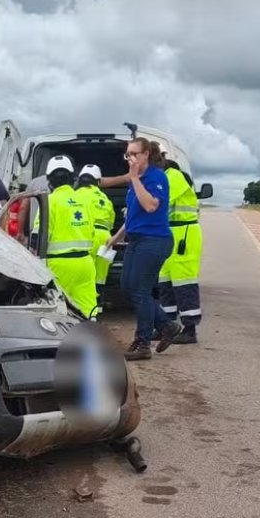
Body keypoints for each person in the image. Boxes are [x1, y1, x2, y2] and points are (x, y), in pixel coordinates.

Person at [104, 138, 182, 360]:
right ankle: (167, 326)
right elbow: (133, 215)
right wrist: (116, 236)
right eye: (128, 154)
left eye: (135, 154)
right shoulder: (136, 180)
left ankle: (143, 343)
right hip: (137, 239)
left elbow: (150, 205)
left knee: (140, 290)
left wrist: (135, 178)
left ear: (147, 154)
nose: (131, 159)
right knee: (127, 287)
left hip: (155, 240)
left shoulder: (156, 177)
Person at [34, 155, 98, 319]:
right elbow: (92, 231)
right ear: (72, 177)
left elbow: (38, 238)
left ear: (49, 180)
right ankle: (91, 341)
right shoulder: (85, 201)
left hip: (59, 266)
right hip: (85, 263)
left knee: (59, 310)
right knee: (88, 308)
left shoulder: (49, 201)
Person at [156, 158, 203, 344]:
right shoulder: (165, 176)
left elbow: (162, 202)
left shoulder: (173, 176)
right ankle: (166, 327)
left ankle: (190, 330)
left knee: (184, 283)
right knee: (165, 282)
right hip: (170, 232)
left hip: (184, 234)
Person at [74, 164, 115, 287]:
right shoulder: (105, 199)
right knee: (100, 278)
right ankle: (99, 305)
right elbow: (111, 222)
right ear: (98, 181)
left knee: (85, 278)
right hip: (105, 239)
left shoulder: (75, 196)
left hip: (86, 235)